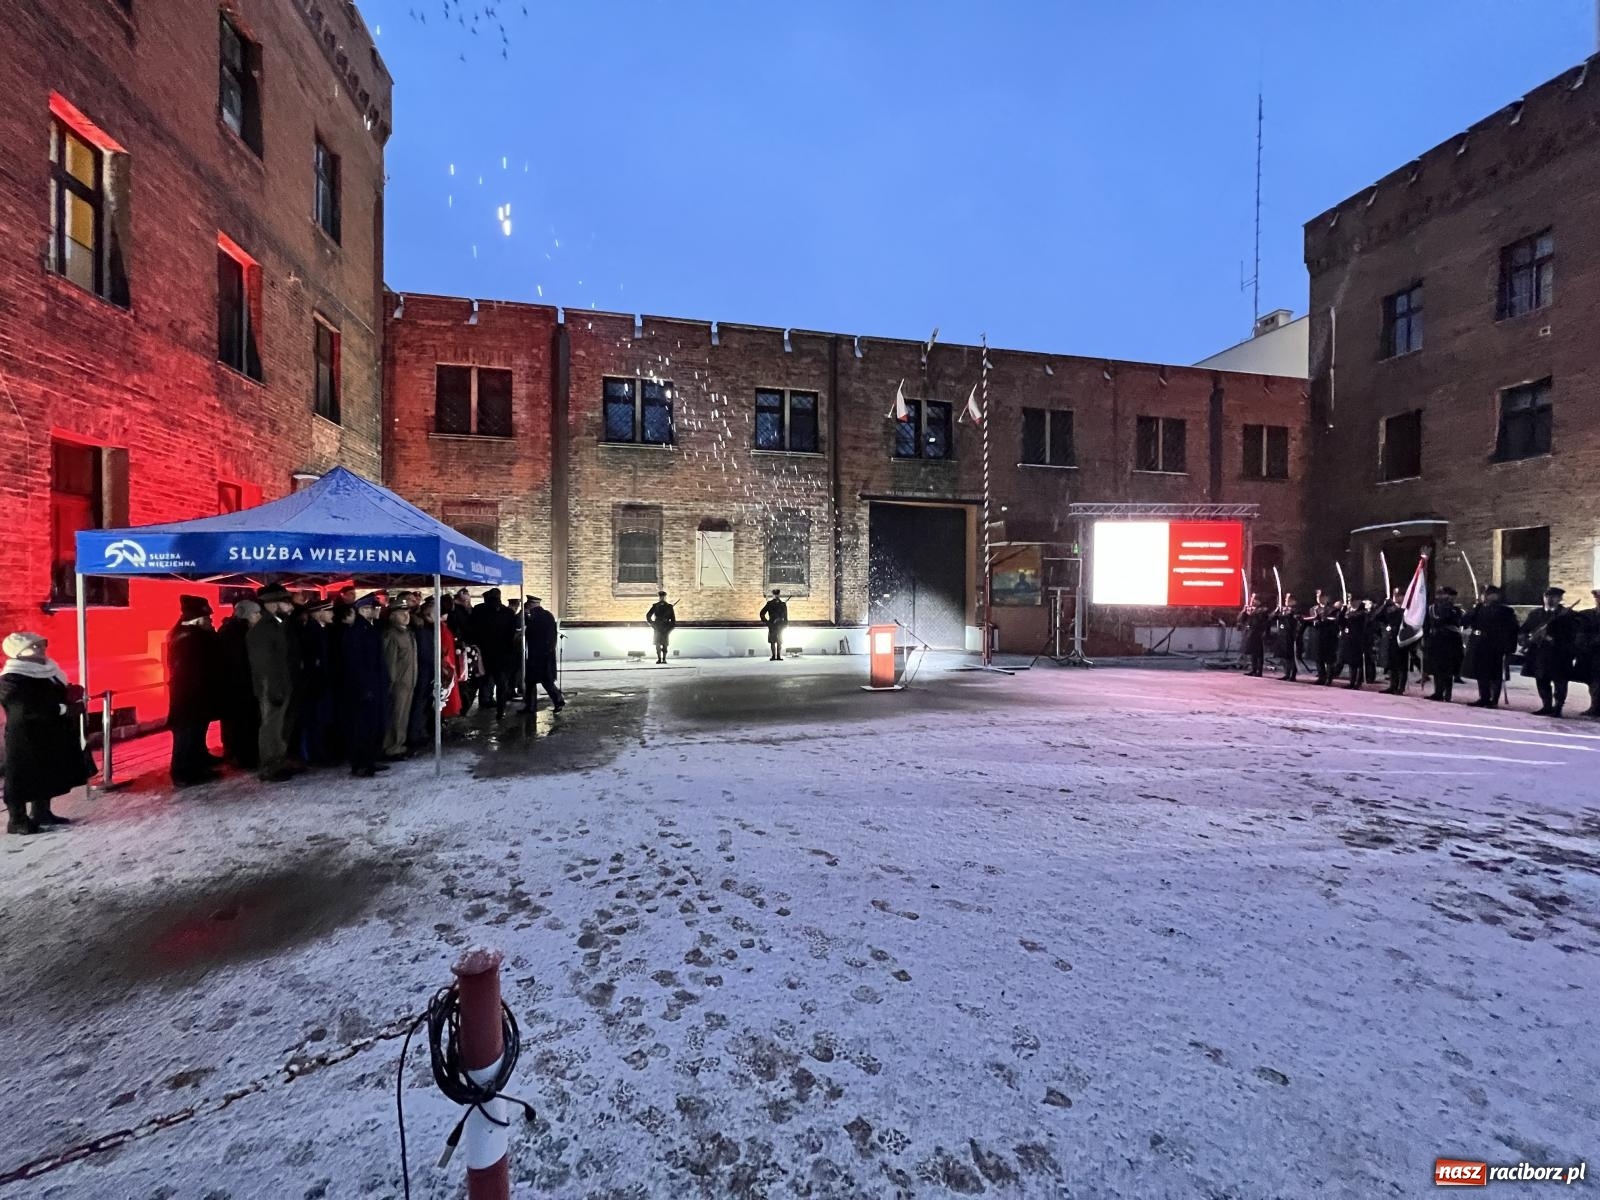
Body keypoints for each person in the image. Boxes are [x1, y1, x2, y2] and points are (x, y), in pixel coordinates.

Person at [1, 632, 89, 835]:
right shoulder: (11, 679)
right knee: (20, 777)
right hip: (25, 736)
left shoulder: (47, 670)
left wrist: (69, 693)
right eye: (34, 647)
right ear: (19, 653)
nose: (41, 650)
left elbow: (51, 693)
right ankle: (17, 820)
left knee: (45, 772)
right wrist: (63, 709)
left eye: (42, 645)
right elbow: (25, 708)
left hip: (49, 732)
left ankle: (41, 812)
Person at [166, 595, 221, 786]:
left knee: (195, 733)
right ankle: (184, 773)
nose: (211, 621)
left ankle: (198, 762)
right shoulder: (188, 638)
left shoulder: (190, 635)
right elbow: (191, 670)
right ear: (199, 619)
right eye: (208, 618)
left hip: (193, 695)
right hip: (188, 697)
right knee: (186, 736)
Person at [247, 584, 299, 782]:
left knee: (279, 726)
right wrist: (273, 688)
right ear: (273, 604)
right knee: (271, 726)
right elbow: (265, 665)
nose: (290, 607)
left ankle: (278, 760)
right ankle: (269, 765)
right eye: (286, 603)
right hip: (272, 687)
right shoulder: (263, 630)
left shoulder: (277, 625)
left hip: (281, 685)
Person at [341, 593, 390, 777]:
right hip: (364, 688)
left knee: (372, 726)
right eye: (372, 608)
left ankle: (369, 760)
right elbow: (356, 663)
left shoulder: (369, 628)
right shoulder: (357, 632)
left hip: (373, 686)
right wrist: (364, 688)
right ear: (362, 610)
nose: (376, 610)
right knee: (363, 727)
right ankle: (361, 763)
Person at [217, 598, 261, 768]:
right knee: (241, 723)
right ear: (246, 615)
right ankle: (243, 757)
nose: (258, 616)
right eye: (255, 613)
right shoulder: (236, 633)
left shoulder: (235, 630)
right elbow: (239, 662)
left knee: (239, 722)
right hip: (238, 686)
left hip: (238, 685)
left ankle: (238, 753)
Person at [1520, 586, 1578, 717]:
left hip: (1559, 654)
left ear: (1560, 599)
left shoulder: (1567, 615)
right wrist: (1525, 640)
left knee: (1560, 681)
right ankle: (1546, 706)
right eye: (1547, 597)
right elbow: (1524, 630)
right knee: (1541, 679)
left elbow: (1573, 634)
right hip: (1539, 653)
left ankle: (1558, 708)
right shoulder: (1535, 614)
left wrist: (1551, 638)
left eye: (1554, 597)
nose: (1549, 600)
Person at [1463, 584, 1519, 709]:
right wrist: (1474, 609)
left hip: (1494, 645)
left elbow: (1512, 630)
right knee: (1480, 672)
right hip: (1478, 644)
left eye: (1489, 594)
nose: (1486, 597)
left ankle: (1493, 699)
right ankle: (1483, 697)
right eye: (1485, 594)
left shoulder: (1505, 611)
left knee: (1494, 674)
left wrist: (1509, 648)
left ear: (1496, 596)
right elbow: (1464, 622)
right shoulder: (1478, 609)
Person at [297, 598, 338, 764]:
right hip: (316, 685)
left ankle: (321, 752)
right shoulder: (312, 632)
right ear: (320, 613)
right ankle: (316, 755)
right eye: (328, 611)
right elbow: (313, 662)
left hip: (321, 684)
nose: (332, 614)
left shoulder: (322, 630)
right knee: (316, 721)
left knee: (322, 720)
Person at [471, 587, 518, 718]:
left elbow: (474, 630)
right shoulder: (508, 613)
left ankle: (485, 701)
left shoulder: (479, 610)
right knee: (501, 683)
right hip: (502, 654)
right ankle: (500, 710)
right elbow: (512, 634)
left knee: (484, 680)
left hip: (485, 652)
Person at [382, 601, 418, 759]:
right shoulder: (391, 635)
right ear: (392, 616)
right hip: (399, 683)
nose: (406, 616)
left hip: (409, 680)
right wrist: (391, 682)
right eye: (401, 613)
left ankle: (400, 744)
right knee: (396, 715)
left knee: (403, 715)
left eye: (407, 612)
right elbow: (390, 662)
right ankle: (392, 746)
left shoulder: (408, 633)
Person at [520, 596, 566, 713]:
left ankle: (531, 706)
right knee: (546, 681)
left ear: (531, 604)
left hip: (536, 655)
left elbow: (530, 631)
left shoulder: (533, 616)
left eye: (528, 604)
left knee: (530, 682)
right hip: (547, 654)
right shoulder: (548, 615)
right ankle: (558, 700)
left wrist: (524, 614)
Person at [1423, 587, 1465, 702]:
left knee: (1448, 669)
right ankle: (1438, 692)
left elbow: (1456, 621)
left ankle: (1447, 693)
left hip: (1451, 642)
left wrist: (1447, 607)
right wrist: (1425, 639)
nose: (1444, 597)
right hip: (1436, 641)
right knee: (1437, 668)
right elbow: (1427, 624)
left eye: (1447, 595)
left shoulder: (1455, 610)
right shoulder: (1431, 609)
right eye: (1441, 594)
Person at [1375, 588, 1409, 695]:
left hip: (1403, 637)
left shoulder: (1407, 609)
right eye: (1395, 595)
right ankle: (1392, 685)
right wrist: (1384, 605)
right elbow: (1376, 617)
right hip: (1391, 637)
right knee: (1392, 663)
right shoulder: (1390, 608)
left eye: (1399, 595)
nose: (1396, 597)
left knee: (1402, 665)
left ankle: (1401, 687)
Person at [1307, 590, 1341, 686]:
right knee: (1319, 658)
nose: (1319, 598)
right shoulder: (1314, 609)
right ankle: (1321, 677)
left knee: (1329, 659)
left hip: (1329, 636)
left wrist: (1324, 621)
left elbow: (1334, 622)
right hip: (1318, 635)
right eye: (1317, 596)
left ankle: (1329, 678)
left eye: (1321, 596)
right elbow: (1312, 620)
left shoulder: (1332, 610)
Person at [1575, 589, 1600, 718]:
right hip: (1590, 655)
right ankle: (1595, 706)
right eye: (1597, 599)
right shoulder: (1587, 615)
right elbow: (1580, 632)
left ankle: (1596, 707)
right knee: (1592, 682)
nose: (1598, 601)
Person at [1236, 593, 1272, 677]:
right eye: (1251, 598)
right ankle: (1253, 669)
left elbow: (1263, 621)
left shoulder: (1263, 610)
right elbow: (1241, 619)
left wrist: (1251, 613)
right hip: (1250, 633)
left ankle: (1259, 671)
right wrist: (1244, 611)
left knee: (1258, 653)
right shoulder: (1250, 609)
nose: (1252, 601)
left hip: (1258, 633)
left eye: (1254, 599)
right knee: (1252, 652)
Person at [1336, 599, 1370, 689]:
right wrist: (1343, 610)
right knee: (1351, 662)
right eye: (1349, 600)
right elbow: (1340, 621)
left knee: (1358, 662)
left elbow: (1361, 621)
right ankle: (1352, 682)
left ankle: (1358, 682)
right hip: (1349, 639)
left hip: (1359, 640)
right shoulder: (1348, 611)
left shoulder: (1363, 613)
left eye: (1352, 600)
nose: (1350, 602)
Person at [1271, 594, 1300, 682]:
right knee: (1284, 657)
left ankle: (1292, 675)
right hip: (1282, 636)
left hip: (1291, 637)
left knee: (1291, 657)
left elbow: (1292, 620)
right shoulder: (1283, 611)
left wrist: (1288, 612)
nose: (1286, 601)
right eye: (1286, 599)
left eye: (1289, 599)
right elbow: (1273, 618)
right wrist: (1277, 610)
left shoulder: (1295, 611)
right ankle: (1286, 673)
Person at [647, 591, 676, 664]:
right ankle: (659, 659)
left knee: (665, 644)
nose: (662, 598)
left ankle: (664, 659)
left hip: (666, 627)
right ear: (659, 597)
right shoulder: (655, 606)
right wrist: (652, 623)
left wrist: (670, 627)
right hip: (657, 627)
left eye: (663, 597)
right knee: (657, 644)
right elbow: (648, 615)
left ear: (665, 597)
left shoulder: (669, 607)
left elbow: (673, 619)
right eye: (661, 597)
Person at [760, 589, 789, 662]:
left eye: (777, 594)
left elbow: (785, 616)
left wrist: (785, 623)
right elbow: (762, 613)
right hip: (772, 625)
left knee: (779, 641)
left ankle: (778, 656)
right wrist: (767, 622)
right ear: (773, 595)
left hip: (780, 625)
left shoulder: (783, 604)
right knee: (772, 641)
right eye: (775, 594)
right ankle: (773, 656)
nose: (776, 596)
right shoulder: (769, 604)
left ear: (779, 595)